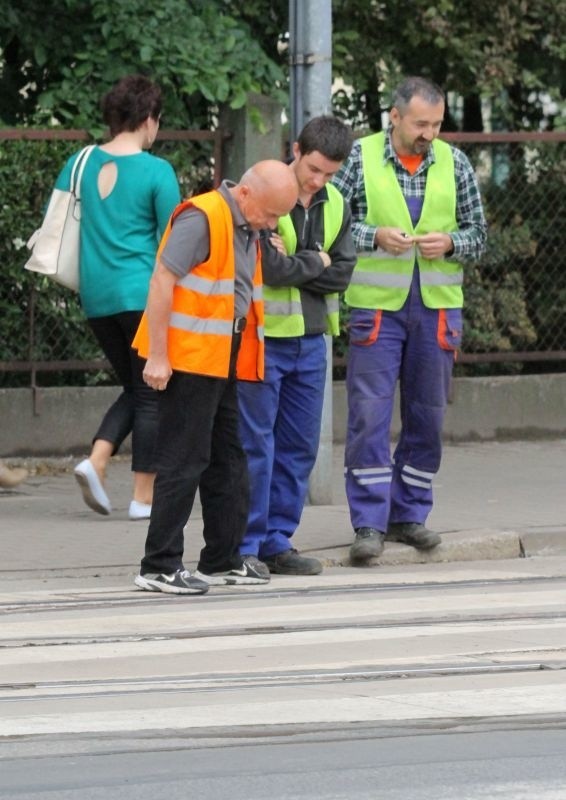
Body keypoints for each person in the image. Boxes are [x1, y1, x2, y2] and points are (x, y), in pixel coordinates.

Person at [332, 76, 487, 564]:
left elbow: (479, 234)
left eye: (437, 124)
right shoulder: (359, 157)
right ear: (394, 117)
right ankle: (369, 524)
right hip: (377, 310)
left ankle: (410, 516)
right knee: (368, 417)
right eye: (421, 123)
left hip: (437, 309)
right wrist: (373, 234)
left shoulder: (454, 162)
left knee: (428, 417)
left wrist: (452, 243)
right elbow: (330, 221)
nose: (430, 133)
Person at [132, 160, 299, 595]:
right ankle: (159, 565)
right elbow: (162, 280)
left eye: (280, 215)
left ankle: (221, 559)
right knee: (183, 460)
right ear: (245, 193)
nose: (272, 223)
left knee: (228, 458)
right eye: (270, 212)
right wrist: (158, 356)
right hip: (189, 358)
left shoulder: (246, 225)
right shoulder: (203, 215)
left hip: (221, 354)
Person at [53, 75, 180, 521]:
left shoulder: (79, 163)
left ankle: (98, 460)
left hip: (95, 296)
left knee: (134, 385)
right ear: (148, 120)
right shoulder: (156, 171)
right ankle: (143, 498)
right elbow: (174, 241)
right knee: (151, 392)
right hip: (144, 293)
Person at [237, 116, 356, 576]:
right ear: (296, 150)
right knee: (256, 447)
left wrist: (301, 265)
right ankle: (245, 545)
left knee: (299, 449)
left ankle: (275, 541)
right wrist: (316, 264)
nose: (318, 180)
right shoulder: (269, 192)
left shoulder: (337, 203)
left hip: (312, 342)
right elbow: (268, 269)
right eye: (313, 169)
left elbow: (343, 272)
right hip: (265, 339)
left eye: (329, 173)